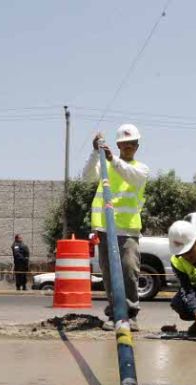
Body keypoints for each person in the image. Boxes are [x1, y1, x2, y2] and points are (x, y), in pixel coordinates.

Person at [82, 124, 150, 331]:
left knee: (129, 270)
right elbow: (87, 177)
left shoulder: (141, 169)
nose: (128, 146)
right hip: (105, 228)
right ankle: (115, 314)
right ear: (119, 144)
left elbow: (131, 176)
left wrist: (112, 159)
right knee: (110, 273)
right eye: (124, 143)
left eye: (132, 143)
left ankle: (129, 315)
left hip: (128, 229)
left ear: (137, 146)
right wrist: (95, 152)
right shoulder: (105, 165)